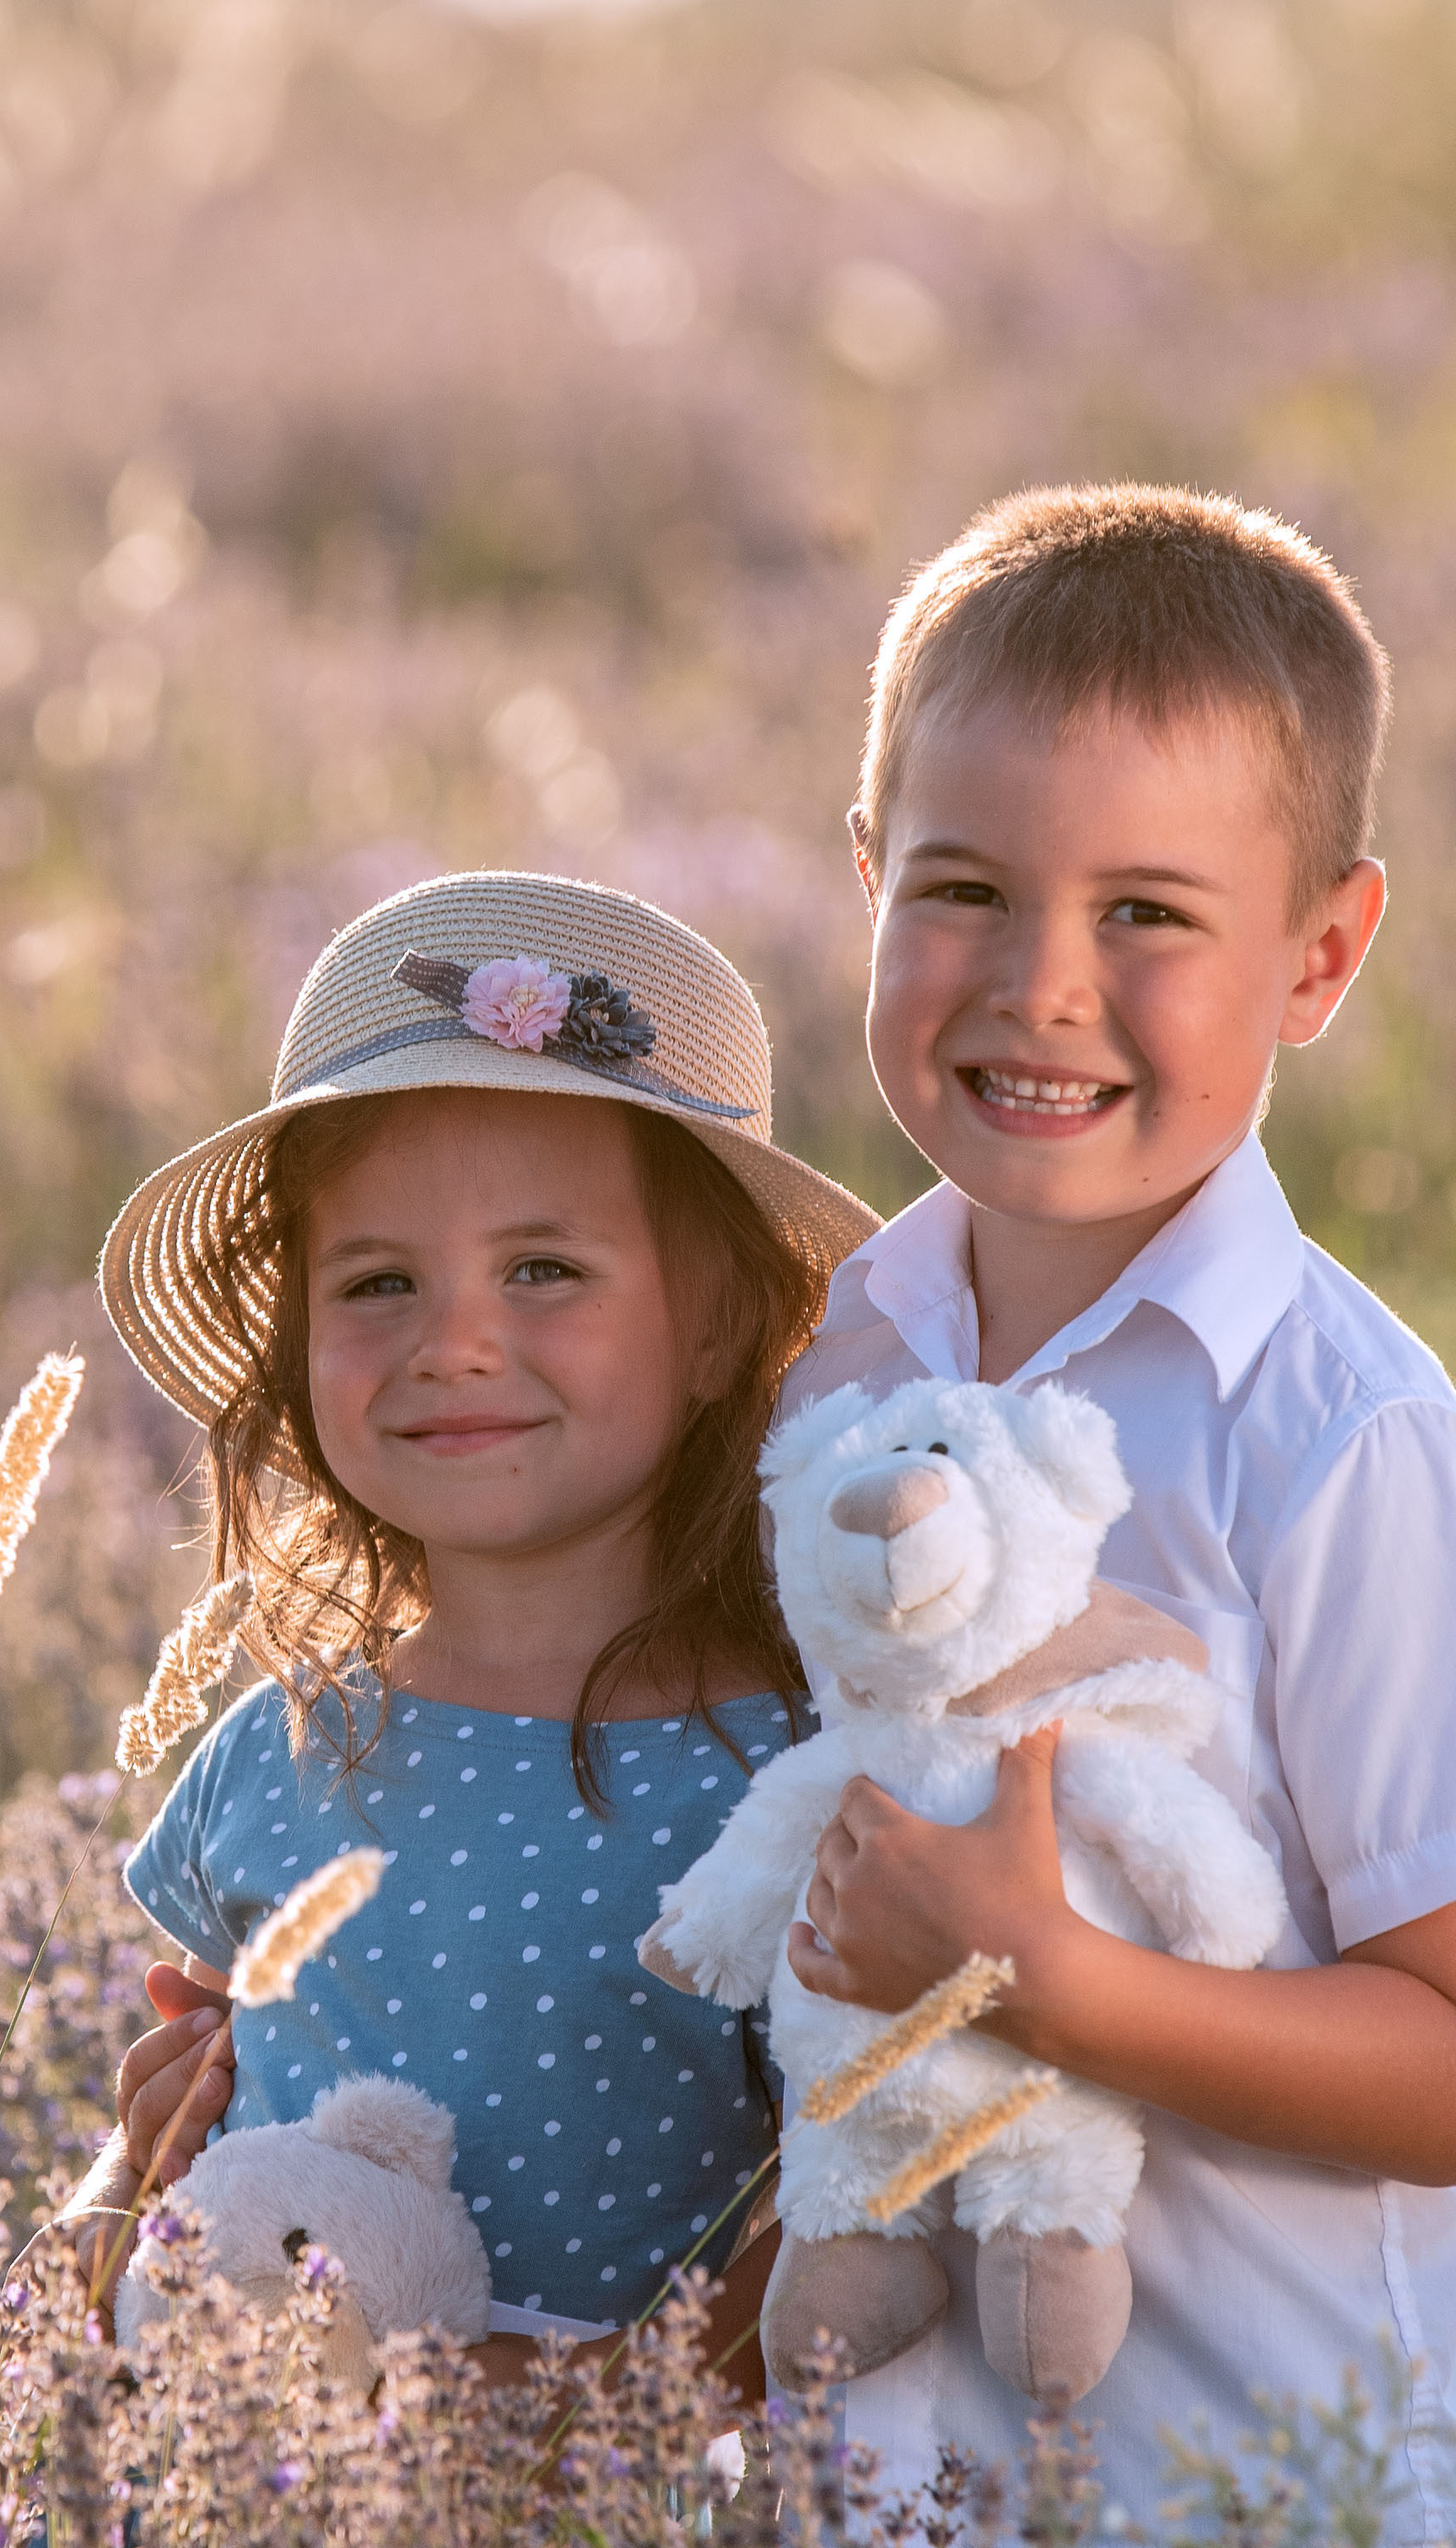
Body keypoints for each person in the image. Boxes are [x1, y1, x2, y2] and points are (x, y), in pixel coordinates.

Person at [775, 483, 1456, 2548]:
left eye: (1146, 910)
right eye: (958, 888)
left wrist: (1043, 1977)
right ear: (864, 884)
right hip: (881, 2541)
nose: (1040, 984)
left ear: (1318, 955)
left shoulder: (1336, 1441)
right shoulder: (833, 1359)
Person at [63, 870, 877, 2394]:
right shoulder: (284, 1742)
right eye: (377, 1282)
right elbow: (188, 2156)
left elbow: (844, 2198)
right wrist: (121, 2196)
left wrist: (579, 2433)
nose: (454, 1340)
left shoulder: (788, 1772)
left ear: (714, 1327)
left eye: (544, 1269)